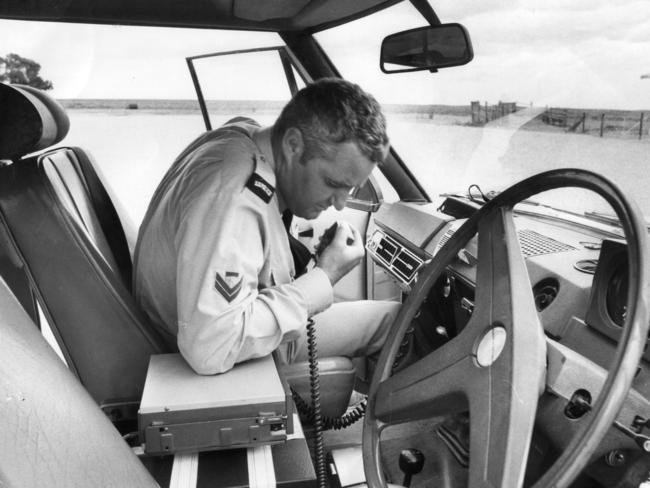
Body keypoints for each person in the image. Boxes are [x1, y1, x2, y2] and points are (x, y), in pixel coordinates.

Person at [133, 78, 400, 375]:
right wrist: (326, 276)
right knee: (397, 321)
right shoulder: (234, 198)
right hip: (211, 357)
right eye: (333, 184)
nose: (339, 204)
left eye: (351, 190)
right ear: (293, 145)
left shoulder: (241, 138)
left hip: (207, 327)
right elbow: (212, 347)